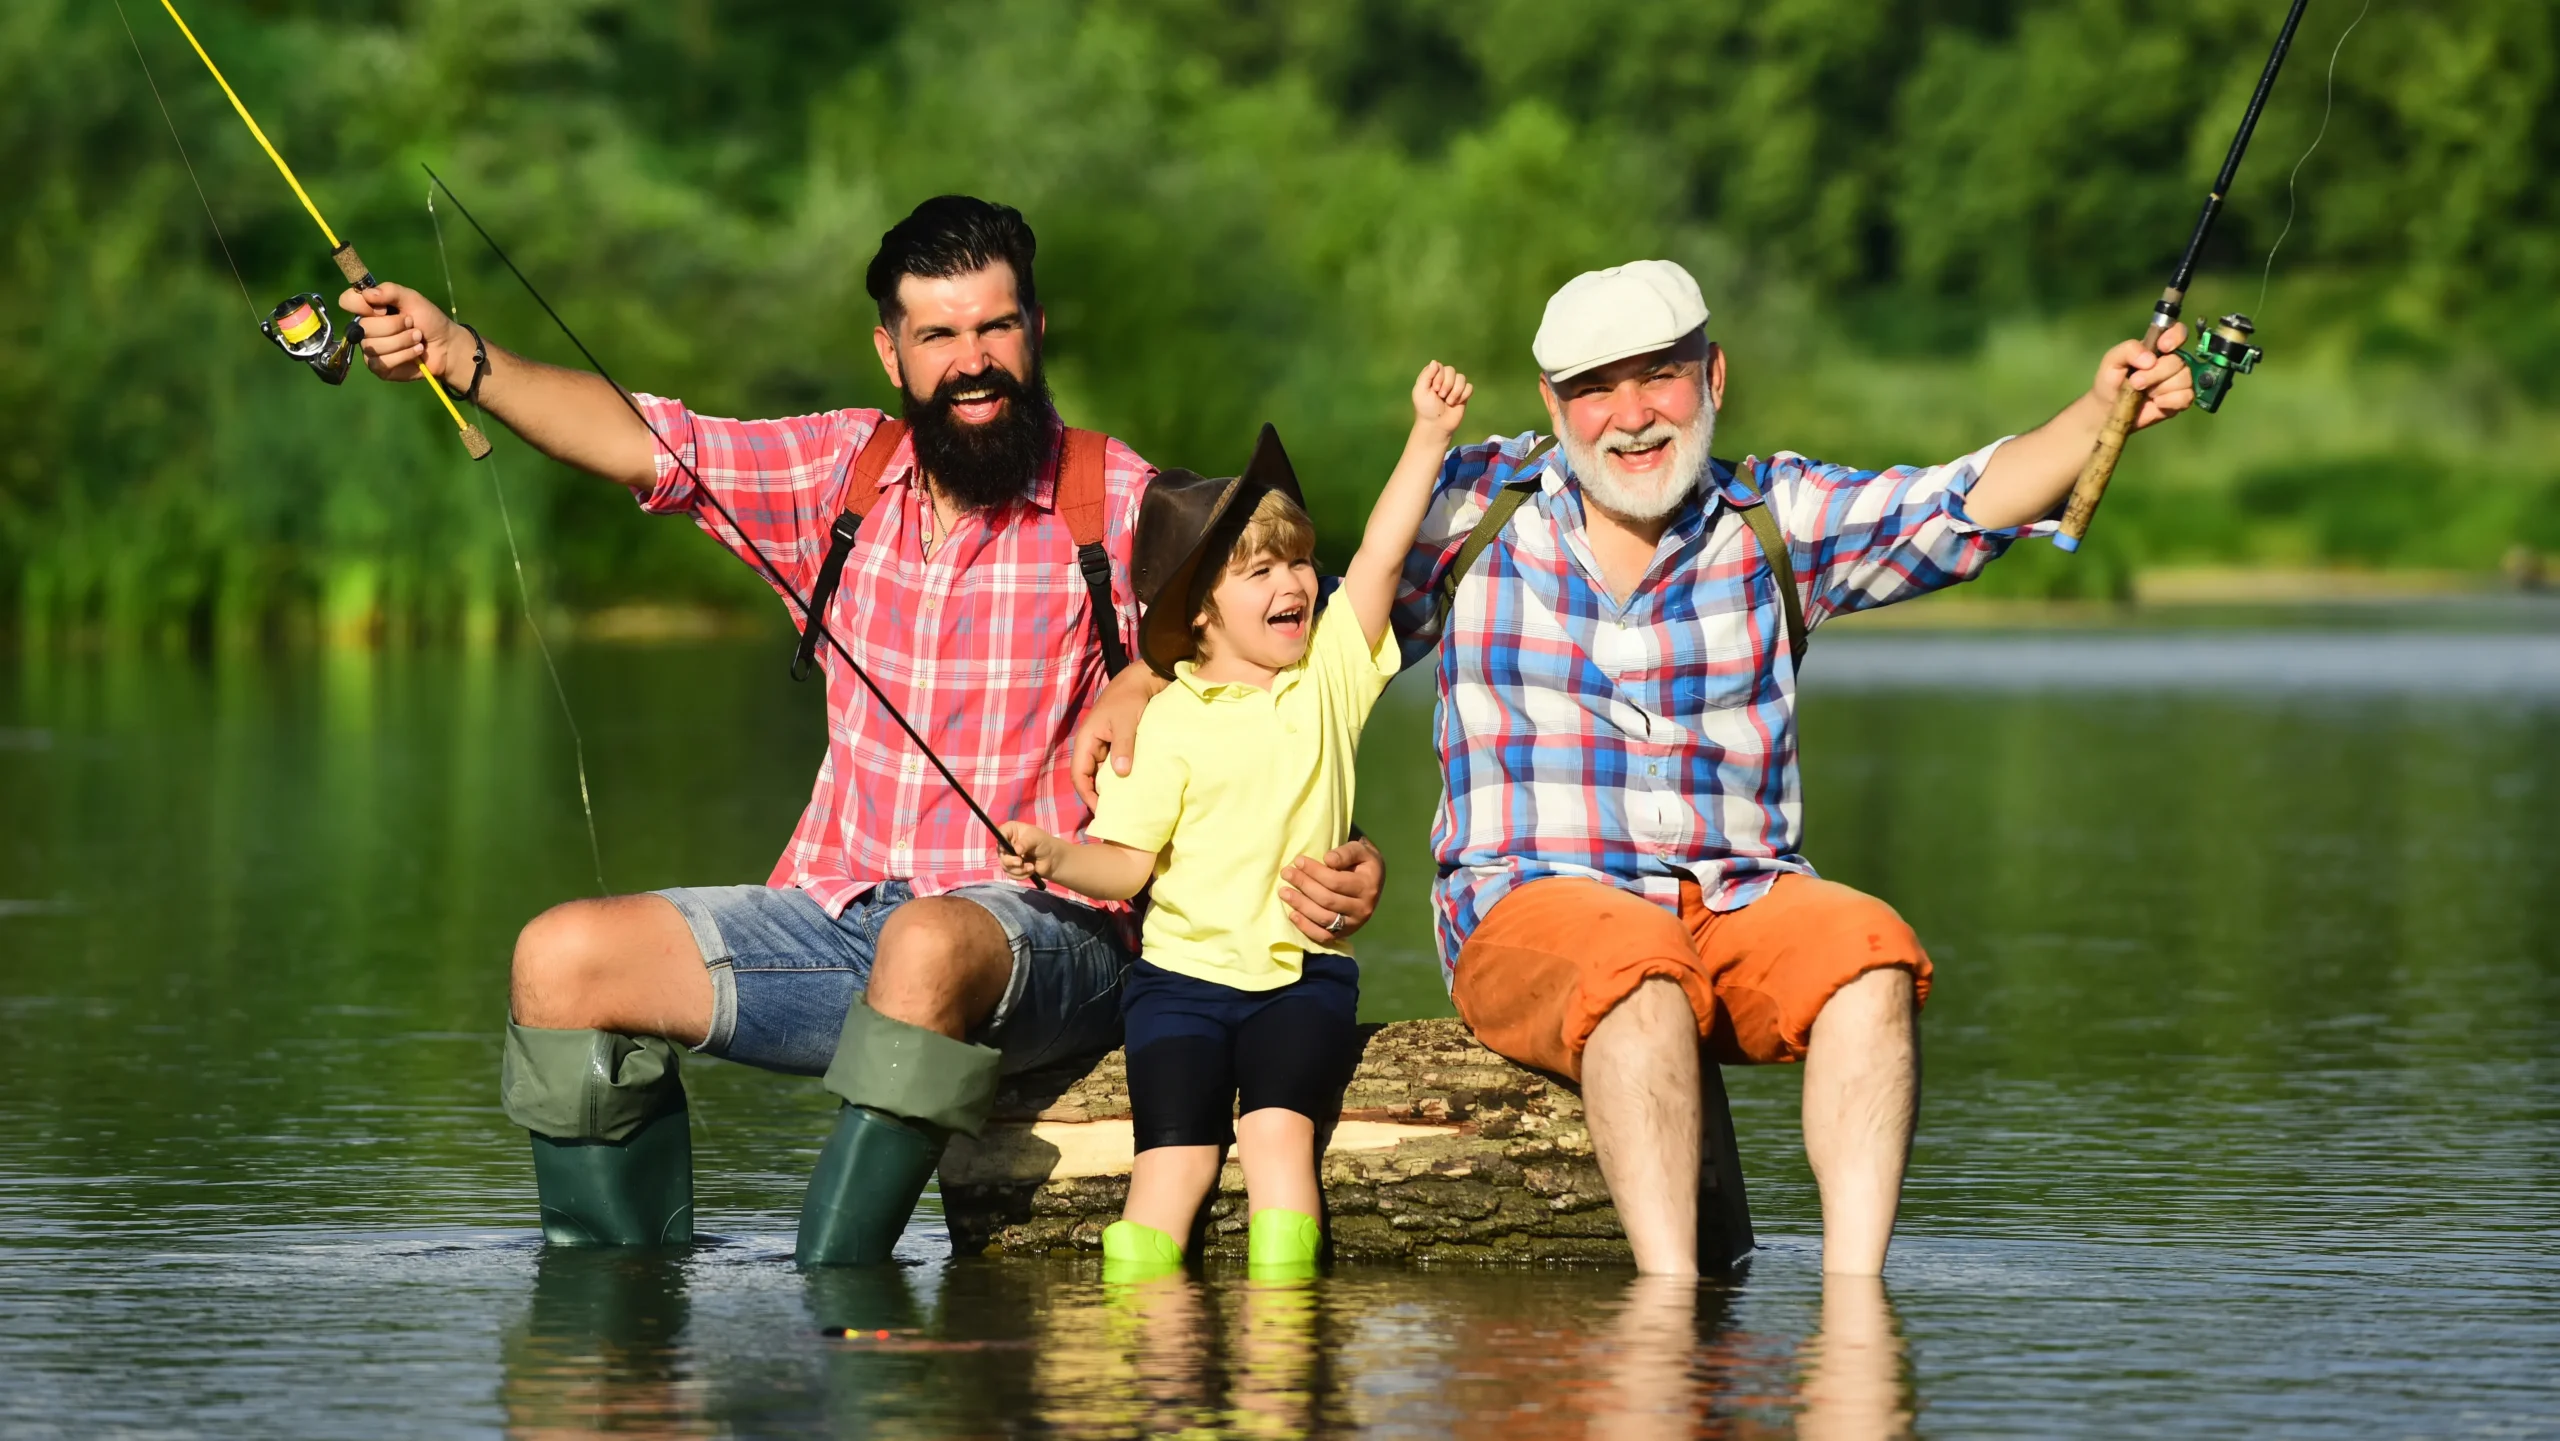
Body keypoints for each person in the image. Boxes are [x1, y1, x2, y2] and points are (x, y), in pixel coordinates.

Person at [1078, 258, 2195, 1276]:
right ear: (1554, 405)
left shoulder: (1772, 521)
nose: (1629, 416)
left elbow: (1959, 502)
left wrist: (2102, 412)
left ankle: (1856, 1306)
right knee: (1636, 968)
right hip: (1532, 908)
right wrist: (1144, 672)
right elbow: (1283, 640)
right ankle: (1669, 1309)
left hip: (1741, 897)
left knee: (1871, 957)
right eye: (1592, 390)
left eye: (1656, 377)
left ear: (1710, 374)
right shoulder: (1474, 512)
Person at [341, 195, 1385, 1260]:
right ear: (891, 352)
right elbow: (643, 442)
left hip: (1054, 932)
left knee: (928, 939)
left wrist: (1155, 669)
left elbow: (1312, 620)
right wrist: (457, 351)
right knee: (559, 957)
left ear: (1035, 330)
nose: (972, 361)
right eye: (939, 335)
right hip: (836, 918)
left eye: (996, 327)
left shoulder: (1115, 499)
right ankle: (623, 1317)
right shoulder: (838, 474)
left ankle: (830, 1294)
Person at [999, 363, 1476, 1278]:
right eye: (1262, 569)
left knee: (1276, 1150)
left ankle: (1279, 1365)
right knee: (1167, 1171)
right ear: (1202, 609)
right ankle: (1151, 1364)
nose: (1296, 580)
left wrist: (1426, 434)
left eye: (1297, 559)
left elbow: (1380, 553)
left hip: (1301, 982)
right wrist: (1055, 853)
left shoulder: (1333, 672)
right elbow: (1129, 866)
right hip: (1177, 985)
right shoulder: (1167, 716)